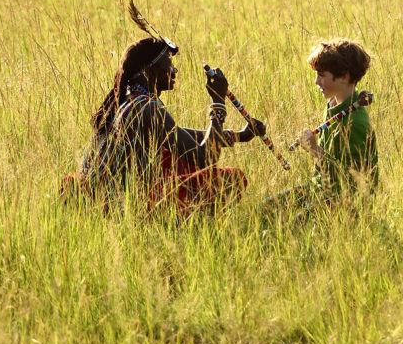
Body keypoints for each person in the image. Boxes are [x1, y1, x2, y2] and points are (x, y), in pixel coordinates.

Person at [60, 36, 267, 217]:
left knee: (170, 156)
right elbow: (205, 157)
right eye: (168, 64)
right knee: (233, 179)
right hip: (120, 206)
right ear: (150, 71)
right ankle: (192, 227)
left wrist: (241, 135)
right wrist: (218, 102)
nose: (174, 70)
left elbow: (184, 137)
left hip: (108, 195)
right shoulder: (147, 108)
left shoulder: (129, 99)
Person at [267, 38, 378, 219]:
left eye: (322, 75)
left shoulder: (356, 123)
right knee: (267, 210)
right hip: (319, 189)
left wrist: (315, 150)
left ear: (344, 76)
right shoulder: (333, 105)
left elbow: (351, 180)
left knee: (294, 225)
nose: (316, 81)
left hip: (345, 201)